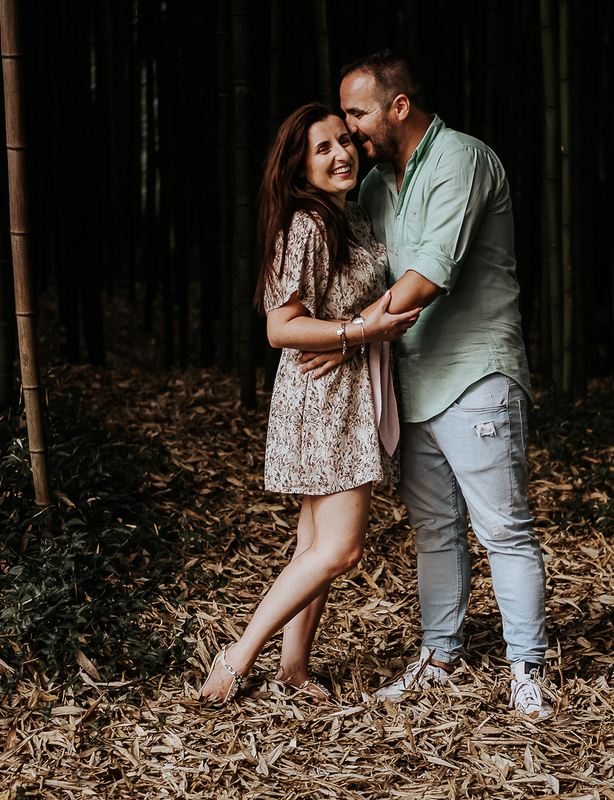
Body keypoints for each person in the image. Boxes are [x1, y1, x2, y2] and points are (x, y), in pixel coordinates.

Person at [333, 49, 553, 720]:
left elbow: (424, 281)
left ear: (399, 107)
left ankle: (526, 670)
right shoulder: (374, 187)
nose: (350, 130)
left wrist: (340, 337)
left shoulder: (463, 159)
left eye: (358, 113)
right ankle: (439, 654)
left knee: (504, 531)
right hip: (413, 380)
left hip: (474, 374)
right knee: (434, 529)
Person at [198, 102, 420, 706]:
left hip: (344, 391)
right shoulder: (309, 224)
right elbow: (281, 327)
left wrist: (364, 325)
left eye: (343, 141)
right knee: (340, 550)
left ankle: (293, 666)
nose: (341, 153)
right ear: (299, 166)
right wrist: (359, 333)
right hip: (323, 398)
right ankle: (238, 656)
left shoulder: (347, 218)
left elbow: (355, 308)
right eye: (321, 148)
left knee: (312, 544)